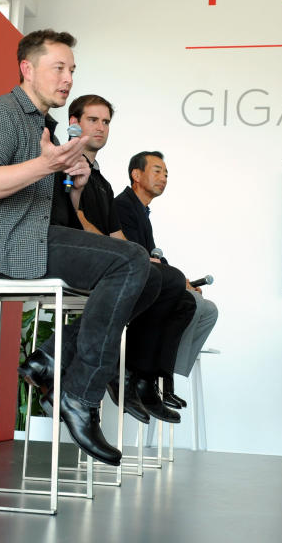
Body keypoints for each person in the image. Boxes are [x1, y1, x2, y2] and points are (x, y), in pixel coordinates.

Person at [0, 29, 154, 466]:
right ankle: (80, 396)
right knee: (132, 261)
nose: (67, 79)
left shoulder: (44, 126)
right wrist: (46, 163)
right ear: (28, 68)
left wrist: (75, 188)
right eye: (58, 68)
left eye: (72, 70)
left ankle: (51, 359)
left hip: (31, 238)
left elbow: (53, 209)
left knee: (150, 277)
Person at [67, 94, 196, 423]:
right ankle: (126, 372)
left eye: (106, 122)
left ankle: (147, 379)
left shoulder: (103, 184)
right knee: (159, 280)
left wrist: (138, 258)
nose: (101, 127)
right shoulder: (64, 164)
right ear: (73, 124)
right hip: (71, 258)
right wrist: (135, 258)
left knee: (182, 296)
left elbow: (118, 239)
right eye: (93, 120)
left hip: (106, 262)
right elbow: (75, 218)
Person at [114, 151, 219, 404]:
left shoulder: (143, 212)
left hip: (149, 278)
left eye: (166, 174)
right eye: (157, 171)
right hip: (129, 282)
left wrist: (184, 282)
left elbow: (153, 257)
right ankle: (153, 376)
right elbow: (135, 254)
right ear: (136, 175)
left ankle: (165, 373)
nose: (163, 178)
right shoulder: (122, 206)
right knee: (191, 303)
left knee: (209, 310)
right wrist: (179, 281)